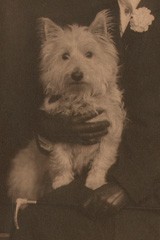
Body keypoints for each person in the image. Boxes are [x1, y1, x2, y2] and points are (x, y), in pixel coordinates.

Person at [1, 0, 160, 239]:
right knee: (33, 220)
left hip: (144, 178)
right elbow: (21, 106)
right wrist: (50, 130)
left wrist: (127, 184)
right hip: (77, 172)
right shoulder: (78, 9)